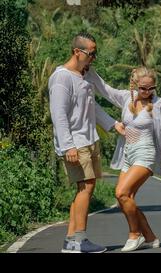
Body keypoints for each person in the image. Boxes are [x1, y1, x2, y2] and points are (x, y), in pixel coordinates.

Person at [84, 66, 161, 252]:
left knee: (121, 193)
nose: (148, 92)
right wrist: (88, 71)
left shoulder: (159, 105)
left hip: (147, 153)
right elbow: (105, 89)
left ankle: (134, 235)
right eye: (143, 88)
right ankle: (150, 237)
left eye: (151, 88)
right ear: (135, 85)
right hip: (128, 153)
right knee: (124, 199)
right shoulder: (127, 97)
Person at [49, 32, 124, 253]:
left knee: (85, 187)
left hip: (89, 138)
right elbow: (59, 114)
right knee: (87, 186)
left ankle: (71, 239)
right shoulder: (62, 78)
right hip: (75, 141)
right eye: (91, 54)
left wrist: (113, 123)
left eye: (95, 53)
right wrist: (67, 146)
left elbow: (97, 103)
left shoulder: (86, 74)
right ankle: (79, 240)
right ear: (77, 52)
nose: (94, 58)